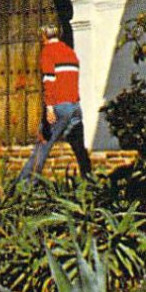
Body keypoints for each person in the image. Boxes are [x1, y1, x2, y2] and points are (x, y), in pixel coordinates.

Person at [19, 22, 92, 184]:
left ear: (44, 36)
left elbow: (49, 81)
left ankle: (23, 188)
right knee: (79, 149)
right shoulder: (70, 53)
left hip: (59, 106)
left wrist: (49, 108)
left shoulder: (48, 52)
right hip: (75, 106)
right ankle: (90, 182)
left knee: (42, 147)